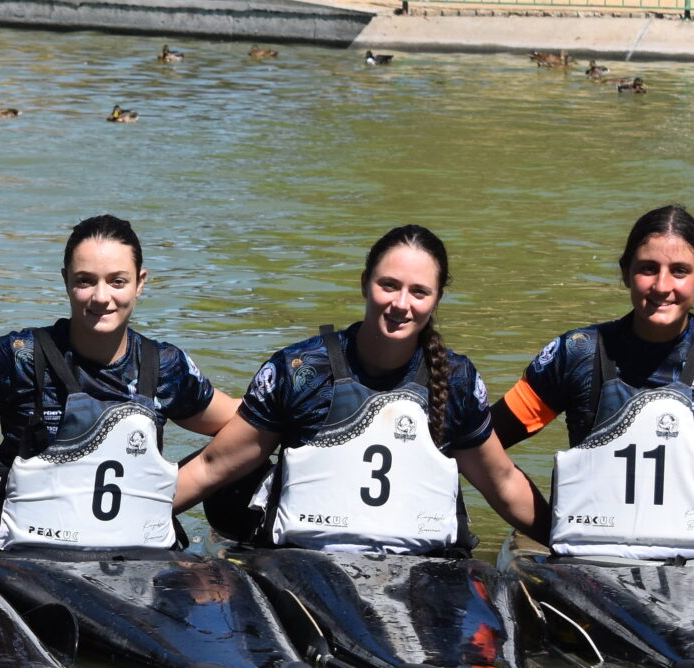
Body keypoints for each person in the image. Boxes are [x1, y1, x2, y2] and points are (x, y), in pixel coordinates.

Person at [173, 224, 548, 548]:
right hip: (304, 564)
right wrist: (124, 520)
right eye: (389, 285)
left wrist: (564, 539)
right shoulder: (301, 370)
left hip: (426, 570)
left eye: (419, 292)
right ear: (365, 283)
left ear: (437, 300)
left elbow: (501, 482)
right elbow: (212, 466)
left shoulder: (457, 380)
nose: (401, 304)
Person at [490, 204, 694, 558]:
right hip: (591, 562)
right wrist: (551, 525)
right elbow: (483, 440)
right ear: (626, 273)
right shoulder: (575, 353)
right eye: (648, 269)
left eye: (680, 271)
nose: (662, 286)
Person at [0, 214, 236, 550]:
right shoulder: (18, 357)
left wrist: (154, 499)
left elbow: (246, 426)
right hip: (22, 556)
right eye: (85, 281)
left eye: (117, 281)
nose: (101, 297)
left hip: (133, 559)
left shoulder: (165, 367)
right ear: (65, 280)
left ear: (140, 283)